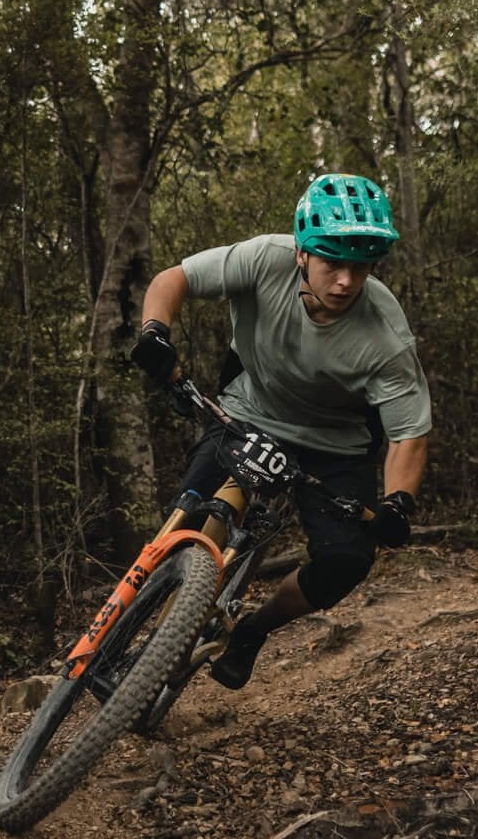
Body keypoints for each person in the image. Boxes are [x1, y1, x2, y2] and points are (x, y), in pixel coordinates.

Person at [128, 173, 430, 689]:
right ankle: (137, 625)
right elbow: (172, 280)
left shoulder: (386, 336)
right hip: (247, 409)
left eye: (360, 268)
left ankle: (254, 629)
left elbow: (408, 434)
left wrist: (398, 503)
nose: (346, 282)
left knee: (346, 561)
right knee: (190, 513)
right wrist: (155, 332)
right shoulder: (264, 259)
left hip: (335, 445)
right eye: (332, 263)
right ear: (301, 253)